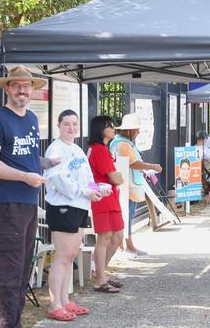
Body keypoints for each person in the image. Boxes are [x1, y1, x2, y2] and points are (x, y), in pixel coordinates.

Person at [0, 65, 57, 328]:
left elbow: (27, 159)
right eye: (17, 85)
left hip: (28, 203)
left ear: (32, 90)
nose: (22, 90)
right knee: (10, 272)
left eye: (27, 86)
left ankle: (15, 322)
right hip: (6, 204)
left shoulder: (32, 119)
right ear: (7, 89)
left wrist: (47, 163)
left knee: (23, 270)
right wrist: (24, 177)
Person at [43, 109, 102, 321]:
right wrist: (86, 191)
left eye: (75, 124)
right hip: (62, 207)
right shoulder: (55, 150)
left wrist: (97, 189)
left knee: (70, 256)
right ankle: (54, 304)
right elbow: (61, 182)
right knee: (62, 256)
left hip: (80, 206)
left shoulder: (77, 149)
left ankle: (66, 301)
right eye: (67, 123)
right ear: (59, 126)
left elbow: (87, 176)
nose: (71, 128)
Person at [110, 113, 162, 257]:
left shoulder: (119, 142)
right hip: (127, 186)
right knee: (127, 216)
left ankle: (124, 246)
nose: (139, 132)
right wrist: (151, 166)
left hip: (125, 184)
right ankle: (127, 246)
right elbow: (133, 163)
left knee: (126, 216)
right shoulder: (124, 144)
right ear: (130, 130)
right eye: (137, 130)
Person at [87, 115, 125, 293]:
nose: (113, 129)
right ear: (101, 129)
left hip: (110, 196)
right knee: (105, 238)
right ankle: (101, 279)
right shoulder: (98, 150)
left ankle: (100, 271)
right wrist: (117, 178)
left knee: (117, 237)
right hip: (103, 197)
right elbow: (114, 177)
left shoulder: (103, 148)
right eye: (110, 126)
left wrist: (117, 178)